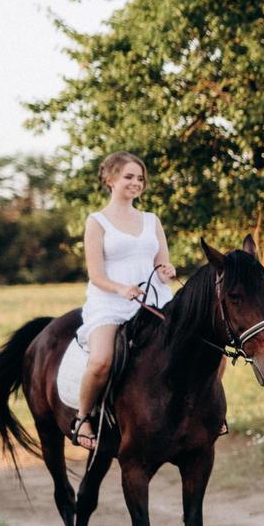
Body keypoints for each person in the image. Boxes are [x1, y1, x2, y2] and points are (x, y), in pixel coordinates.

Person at [67, 152, 176, 450]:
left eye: (140, 178)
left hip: (154, 300)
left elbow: (162, 266)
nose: (136, 183)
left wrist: (167, 271)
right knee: (102, 360)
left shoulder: (151, 220)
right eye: (129, 176)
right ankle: (82, 417)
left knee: (197, 342)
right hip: (111, 303)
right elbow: (96, 274)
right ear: (110, 179)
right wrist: (121, 289)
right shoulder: (97, 222)